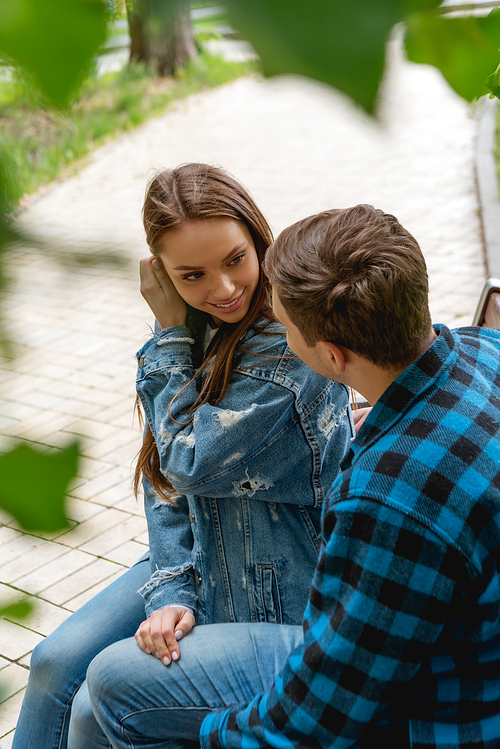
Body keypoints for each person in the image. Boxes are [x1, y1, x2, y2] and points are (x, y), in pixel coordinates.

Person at [86, 204, 500, 749]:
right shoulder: (482, 349)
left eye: (283, 325)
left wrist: (207, 735)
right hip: (450, 642)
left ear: (330, 354)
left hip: (434, 709)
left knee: (114, 686)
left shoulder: (385, 501)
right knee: (86, 709)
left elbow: (313, 721)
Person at [12, 165, 353, 749]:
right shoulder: (196, 330)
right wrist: (171, 590)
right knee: (50, 663)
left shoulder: (289, 346)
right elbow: (165, 485)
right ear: (161, 275)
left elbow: (188, 461)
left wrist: (169, 336)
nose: (222, 289)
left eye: (235, 260)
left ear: (258, 239)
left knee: (97, 702)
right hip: (196, 553)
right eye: (192, 275)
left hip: (276, 586)